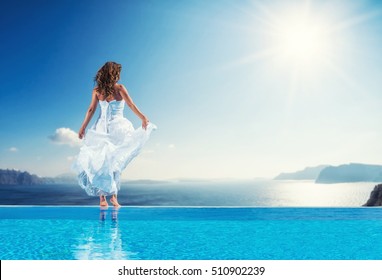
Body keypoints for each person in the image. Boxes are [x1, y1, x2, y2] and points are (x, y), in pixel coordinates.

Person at [73, 61, 156, 207]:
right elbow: (131, 105)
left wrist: (83, 127)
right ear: (114, 73)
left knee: (102, 162)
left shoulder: (97, 90)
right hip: (118, 128)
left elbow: (91, 110)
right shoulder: (120, 88)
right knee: (115, 162)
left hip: (101, 129)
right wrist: (142, 117)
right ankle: (113, 197)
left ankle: (103, 199)